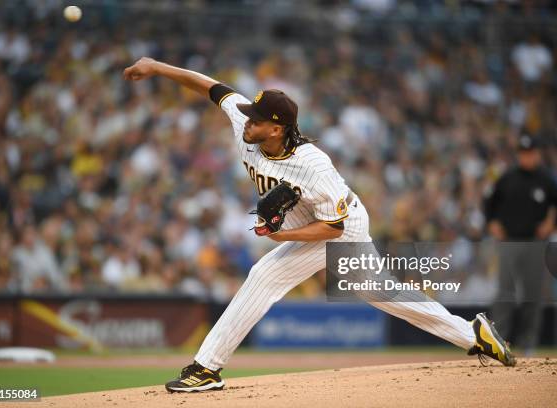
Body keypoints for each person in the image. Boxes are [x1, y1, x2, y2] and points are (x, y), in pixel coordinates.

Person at [123, 57, 516, 393]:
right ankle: (472, 334)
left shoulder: (313, 166)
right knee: (382, 293)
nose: (246, 122)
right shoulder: (248, 127)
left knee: (265, 274)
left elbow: (335, 228)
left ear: (276, 129)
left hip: (341, 228)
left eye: (256, 121)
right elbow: (213, 88)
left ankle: (206, 367)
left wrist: (281, 235)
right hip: (326, 223)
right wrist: (156, 68)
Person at [485, 134, 557, 354]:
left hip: (535, 243)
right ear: (519, 155)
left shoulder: (545, 179)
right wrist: (492, 222)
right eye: (523, 153)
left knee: (532, 294)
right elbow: (489, 203)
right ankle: (499, 340)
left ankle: (528, 343)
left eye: (530, 153)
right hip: (509, 242)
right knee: (505, 292)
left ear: (537, 154)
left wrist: (553, 223)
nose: (527, 157)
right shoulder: (508, 178)